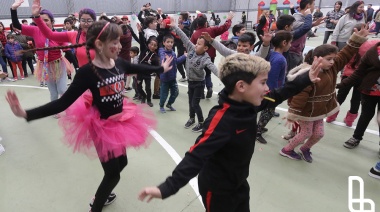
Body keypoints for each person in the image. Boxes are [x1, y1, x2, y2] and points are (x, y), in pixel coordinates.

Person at [5, 20, 173, 212]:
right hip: (102, 127)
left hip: (120, 122)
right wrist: (26, 113)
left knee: (122, 162)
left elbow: (138, 69)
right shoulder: (87, 73)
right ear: (99, 45)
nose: (119, 46)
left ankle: (104, 192)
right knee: (113, 175)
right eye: (114, 42)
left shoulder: (118, 63)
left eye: (119, 41)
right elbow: (62, 103)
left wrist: (160, 69)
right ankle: (97, 206)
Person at [138, 53, 321, 211]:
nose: (267, 88)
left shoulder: (248, 104)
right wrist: (166, 188)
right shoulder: (221, 120)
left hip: (239, 182)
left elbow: (278, 94)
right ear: (241, 86)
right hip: (217, 190)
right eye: (263, 82)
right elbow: (196, 156)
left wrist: (305, 78)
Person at [280, 27, 368, 163]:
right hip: (307, 111)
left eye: (333, 59)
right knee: (306, 133)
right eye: (328, 59)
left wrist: (356, 40)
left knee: (319, 133)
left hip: (320, 110)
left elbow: (345, 54)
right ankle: (287, 149)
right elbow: (300, 95)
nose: (332, 62)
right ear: (317, 58)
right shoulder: (309, 75)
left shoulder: (332, 68)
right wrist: (293, 112)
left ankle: (304, 148)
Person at [11, 0, 73, 99]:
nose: (43, 23)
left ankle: (68, 108)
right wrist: (13, 9)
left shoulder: (58, 35)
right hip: (45, 66)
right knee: (53, 92)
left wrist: (77, 66)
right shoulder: (35, 30)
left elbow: (68, 51)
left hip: (58, 65)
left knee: (62, 90)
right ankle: (55, 110)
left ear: (52, 22)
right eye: (41, 20)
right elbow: (17, 25)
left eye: (46, 20)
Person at [171, 19, 219, 132]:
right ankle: (191, 118)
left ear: (206, 48)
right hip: (190, 82)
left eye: (199, 44)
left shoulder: (205, 58)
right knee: (190, 102)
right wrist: (175, 27)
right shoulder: (192, 49)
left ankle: (201, 122)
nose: (195, 45)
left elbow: (213, 68)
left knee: (195, 103)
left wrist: (224, 77)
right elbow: (184, 37)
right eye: (196, 43)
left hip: (199, 83)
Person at [336, 42, 380, 157]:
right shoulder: (372, 51)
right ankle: (356, 137)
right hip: (369, 90)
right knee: (365, 115)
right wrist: (343, 83)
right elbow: (358, 72)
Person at [256, 31, 293, 144]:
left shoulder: (271, 53)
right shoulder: (280, 59)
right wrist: (274, 92)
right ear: (284, 43)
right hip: (272, 91)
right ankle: (257, 131)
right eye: (290, 43)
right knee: (269, 112)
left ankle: (260, 127)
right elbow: (272, 78)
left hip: (269, 90)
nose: (290, 45)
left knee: (266, 111)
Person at [190, 12, 233, 98]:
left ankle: (201, 93)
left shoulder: (195, 34)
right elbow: (224, 27)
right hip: (211, 55)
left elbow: (191, 47)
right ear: (206, 22)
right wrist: (228, 19)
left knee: (200, 74)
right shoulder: (211, 30)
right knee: (208, 73)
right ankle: (209, 87)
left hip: (199, 57)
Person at [158, 34, 186, 113]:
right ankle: (161, 105)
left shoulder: (173, 53)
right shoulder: (162, 51)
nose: (170, 44)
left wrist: (184, 56)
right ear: (164, 43)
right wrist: (165, 59)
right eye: (168, 42)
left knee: (175, 92)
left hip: (173, 78)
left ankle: (169, 104)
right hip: (165, 79)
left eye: (171, 42)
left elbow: (176, 61)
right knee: (164, 94)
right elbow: (162, 57)